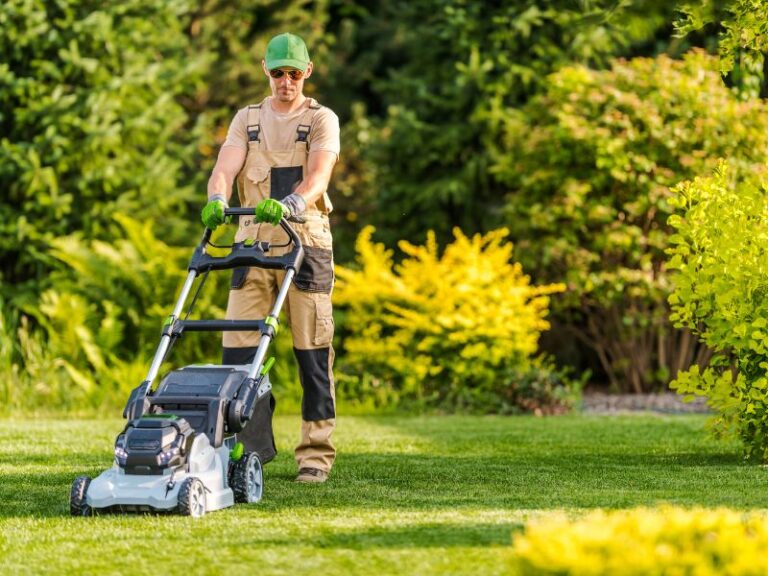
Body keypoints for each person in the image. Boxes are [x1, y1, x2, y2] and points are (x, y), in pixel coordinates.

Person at [201, 32, 340, 484]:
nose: (286, 81)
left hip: (306, 243)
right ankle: (249, 450)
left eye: (294, 73)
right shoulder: (248, 119)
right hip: (252, 243)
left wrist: (292, 204)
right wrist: (218, 198)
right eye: (278, 72)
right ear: (265, 69)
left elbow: (318, 176)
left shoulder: (322, 120)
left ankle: (315, 456)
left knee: (311, 354)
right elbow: (225, 166)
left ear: (308, 72)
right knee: (238, 354)